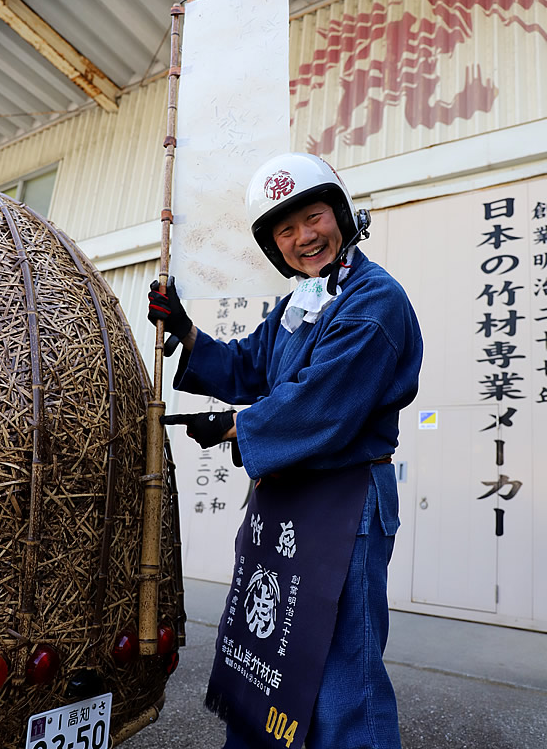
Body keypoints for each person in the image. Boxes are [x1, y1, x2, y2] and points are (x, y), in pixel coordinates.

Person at [148, 152, 423, 749]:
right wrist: (187, 331)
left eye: (314, 217)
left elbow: (323, 402)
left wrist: (234, 430)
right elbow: (249, 366)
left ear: (341, 216)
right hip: (288, 501)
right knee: (273, 650)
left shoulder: (376, 301)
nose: (305, 237)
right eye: (286, 229)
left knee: (345, 668)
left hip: (346, 497)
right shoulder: (301, 302)